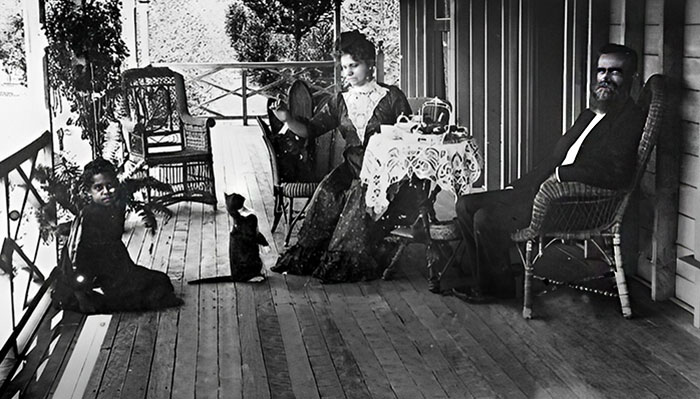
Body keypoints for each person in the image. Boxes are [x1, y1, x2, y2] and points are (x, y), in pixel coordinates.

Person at [454, 43, 646, 302]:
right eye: (601, 71)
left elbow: (616, 173)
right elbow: (555, 158)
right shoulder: (592, 113)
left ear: (632, 77)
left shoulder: (630, 119)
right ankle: (484, 278)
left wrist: (563, 176)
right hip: (544, 191)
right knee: (465, 204)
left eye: (615, 72)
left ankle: (494, 289)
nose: (605, 78)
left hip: (574, 203)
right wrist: (522, 184)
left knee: (486, 218)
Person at [270, 30, 413, 283]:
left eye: (353, 66)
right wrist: (288, 118)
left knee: (358, 197)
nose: (347, 73)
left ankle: (350, 258)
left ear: (369, 64)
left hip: (385, 171)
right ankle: (315, 256)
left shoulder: (392, 97)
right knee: (326, 191)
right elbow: (311, 130)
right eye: (344, 67)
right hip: (352, 166)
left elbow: (409, 134)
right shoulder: (340, 101)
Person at [54, 158, 183, 313]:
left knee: (161, 281)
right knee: (156, 288)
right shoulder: (89, 216)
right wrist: (81, 293)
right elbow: (76, 257)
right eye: (98, 188)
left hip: (116, 267)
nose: (106, 192)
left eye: (110, 186)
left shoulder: (115, 206)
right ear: (89, 191)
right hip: (96, 276)